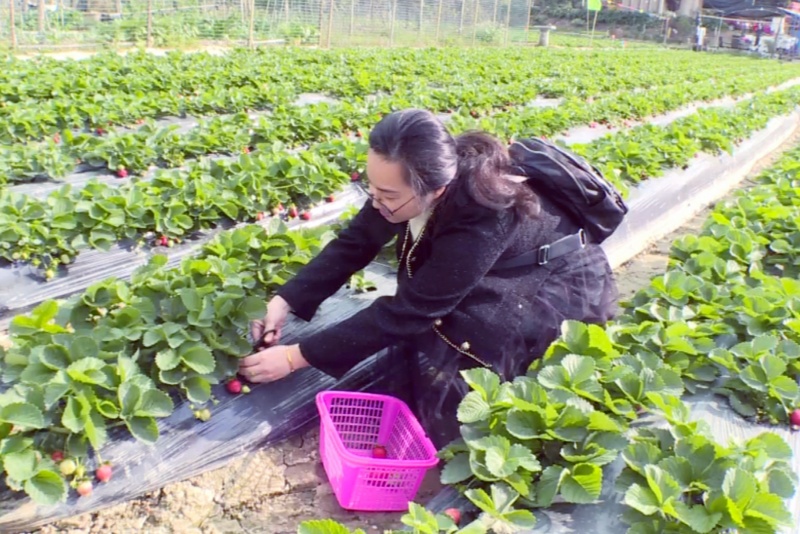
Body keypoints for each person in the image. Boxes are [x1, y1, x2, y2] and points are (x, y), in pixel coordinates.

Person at [238, 109, 619, 448]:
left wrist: (294, 357)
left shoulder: (485, 213)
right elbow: (355, 243)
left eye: (386, 194)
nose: (375, 201)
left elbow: (411, 310)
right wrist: (284, 300)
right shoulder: (405, 181)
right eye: (371, 187)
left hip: (551, 279)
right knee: (432, 318)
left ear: (436, 189)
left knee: (472, 333)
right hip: (496, 259)